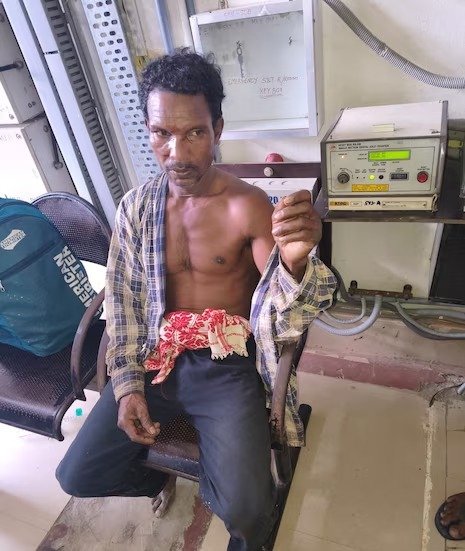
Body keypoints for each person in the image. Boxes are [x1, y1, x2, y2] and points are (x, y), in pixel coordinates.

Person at [56, 49, 337, 551]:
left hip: (223, 365)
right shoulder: (136, 208)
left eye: (194, 133)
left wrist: (295, 264)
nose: (177, 153)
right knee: (77, 475)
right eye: (162, 133)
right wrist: (127, 386)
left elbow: (285, 310)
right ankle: (162, 477)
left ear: (218, 129)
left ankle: (226, 492)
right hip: (155, 355)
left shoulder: (247, 206)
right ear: (148, 131)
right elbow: (122, 303)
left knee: (247, 510)